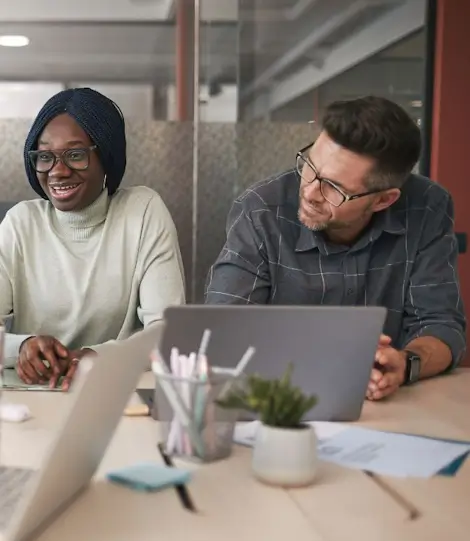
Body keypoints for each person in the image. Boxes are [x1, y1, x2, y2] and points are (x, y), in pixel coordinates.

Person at [205, 96, 466, 401]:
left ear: (383, 200)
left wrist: (405, 363)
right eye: (309, 166)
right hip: (279, 398)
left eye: (335, 188)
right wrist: (333, 361)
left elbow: (441, 326)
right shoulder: (262, 209)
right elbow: (222, 329)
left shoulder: (427, 208)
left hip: (386, 406)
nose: (310, 192)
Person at [0, 87, 185, 390]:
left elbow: (168, 333)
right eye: (45, 156)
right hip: (32, 398)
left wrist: (99, 357)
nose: (58, 171)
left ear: (106, 158)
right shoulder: (21, 224)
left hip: (115, 394)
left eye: (75, 155)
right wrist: (20, 348)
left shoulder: (142, 212)